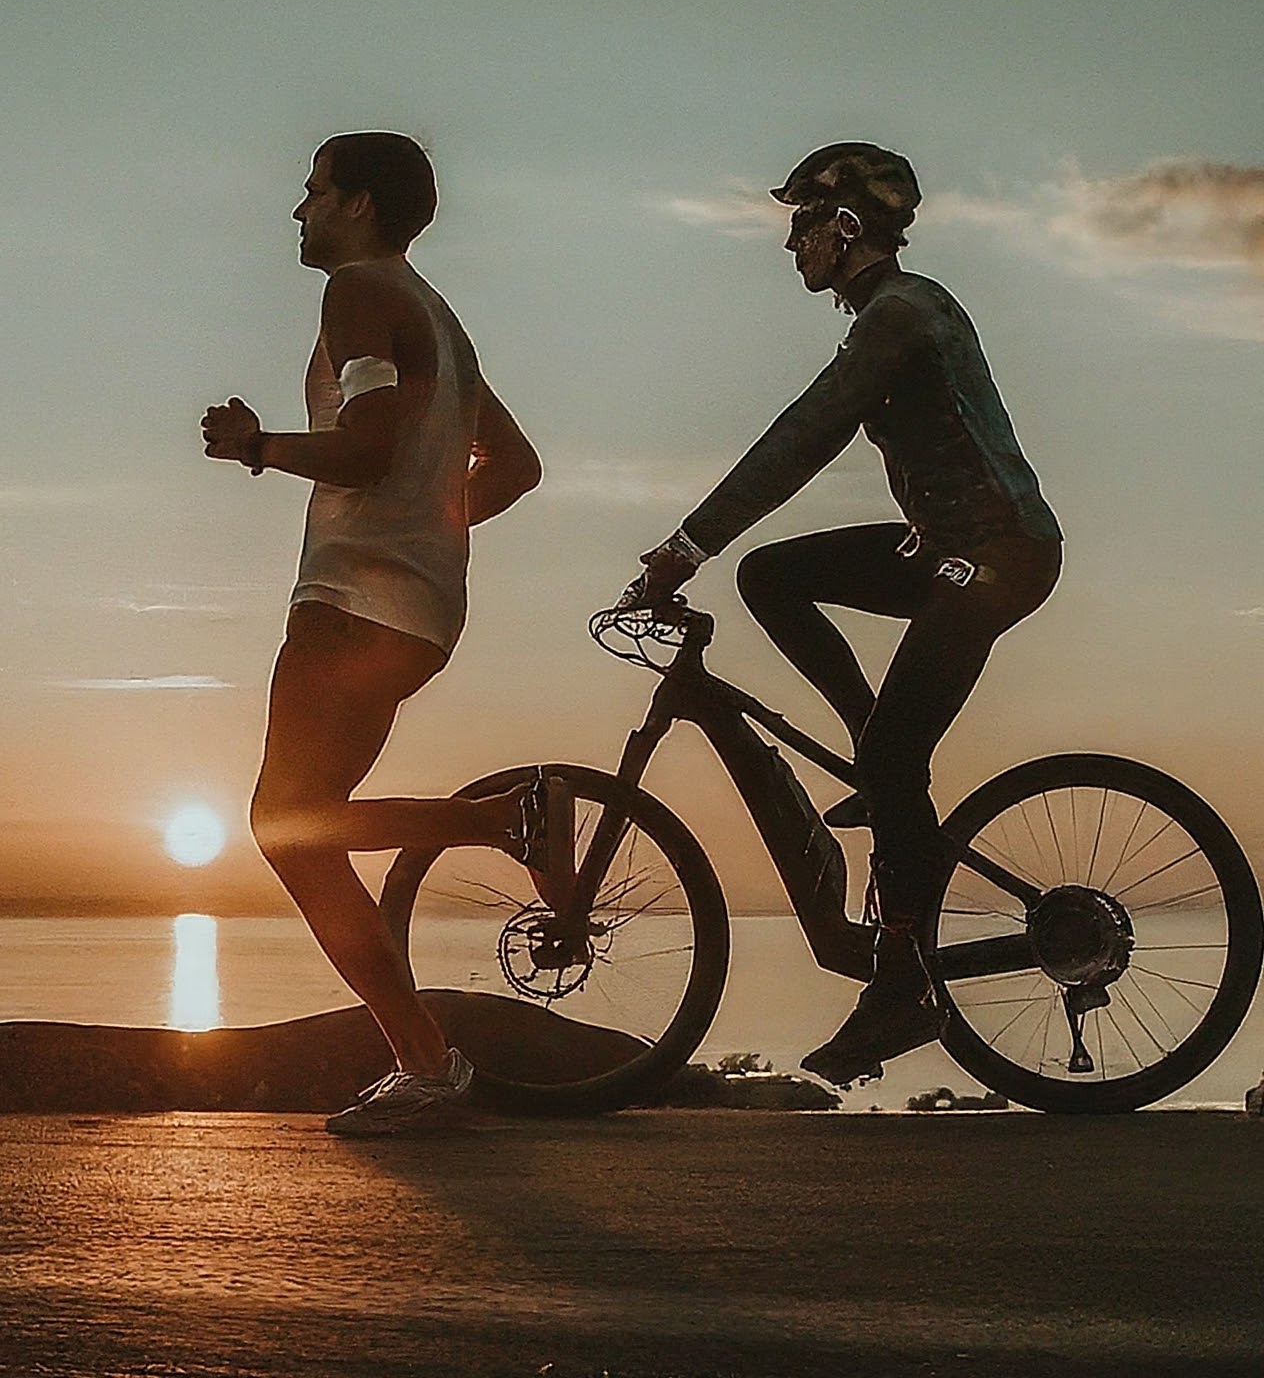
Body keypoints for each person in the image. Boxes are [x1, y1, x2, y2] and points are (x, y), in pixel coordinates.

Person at [626, 142, 1062, 1086]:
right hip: (944, 548)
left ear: (846, 228)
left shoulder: (899, 317)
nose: (792, 246)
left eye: (801, 225)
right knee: (774, 577)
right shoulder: (889, 312)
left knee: (899, 759)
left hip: (997, 558)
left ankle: (902, 985)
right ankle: (872, 745)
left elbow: (807, 433)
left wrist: (688, 543)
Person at [202, 133, 543, 1134]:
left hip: (351, 603)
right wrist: (427, 533)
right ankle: (425, 1063)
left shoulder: (358, 292)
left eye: (312, 192)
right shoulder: (440, 320)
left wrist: (259, 447)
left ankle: (503, 822)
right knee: (303, 831)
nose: (298, 211)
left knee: (284, 825)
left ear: (357, 205)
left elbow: (365, 449)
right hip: (424, 609)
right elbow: (513, 467)